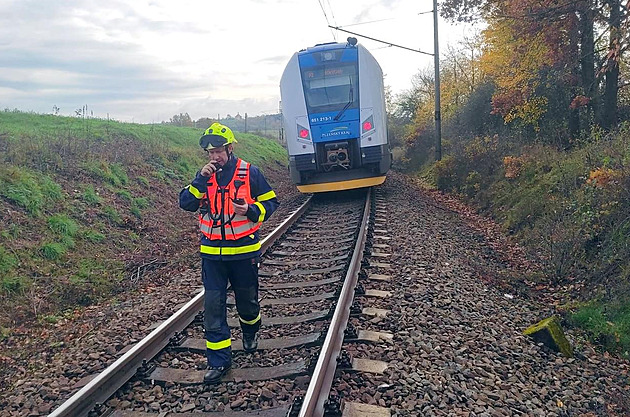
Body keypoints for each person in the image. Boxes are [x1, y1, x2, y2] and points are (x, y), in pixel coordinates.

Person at [179, 122, 279, 384]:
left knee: (247, 303)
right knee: (213, 307)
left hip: (244, 253)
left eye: (218, 151)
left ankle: (250, 331)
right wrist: (199, 179)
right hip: (212, 255)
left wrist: (252, 210)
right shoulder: (204, 177)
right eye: (210, 153)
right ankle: (219, 361)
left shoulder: (249, 172)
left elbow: (271, 201)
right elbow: (186, 203)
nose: (214, 157)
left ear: (229, 148)